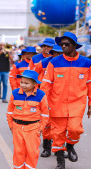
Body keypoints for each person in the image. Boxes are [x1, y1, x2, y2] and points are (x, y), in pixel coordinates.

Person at [41, 32, 91, 169]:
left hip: (77, 104)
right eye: (61, 44)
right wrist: (41, 103)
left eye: (66, 44)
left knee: (75, 130)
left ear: (74, 46)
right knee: (57, 134)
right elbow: (46, 84)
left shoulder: (87, 63)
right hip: (56, 104)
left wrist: (90, 103)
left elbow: (90, 84)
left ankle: (70, 145)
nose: (63, 46)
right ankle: (60, 162)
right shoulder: (54, 62)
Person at [7, 69, 49, 169]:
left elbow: (45, 114)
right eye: (22, 82)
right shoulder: (15, 93)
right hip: (17, 128)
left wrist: (40, 128)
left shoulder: (41, 95)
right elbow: (10, 111)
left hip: (33, 128)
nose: (23, 85)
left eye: (27, 83)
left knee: (32, 152)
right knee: (18, 152)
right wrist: (11, 125)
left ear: (34, 84)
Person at [32, 44, 63, 158]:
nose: (58, 55)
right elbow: (34, 75)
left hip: (61, 98)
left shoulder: (66, 63)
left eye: (60, 53)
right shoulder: (44, 62)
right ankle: (47, 148)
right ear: (52, 53)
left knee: (61, 124)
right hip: (46, 96)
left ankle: (60, 147)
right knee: (47, 123)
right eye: (56, 53)